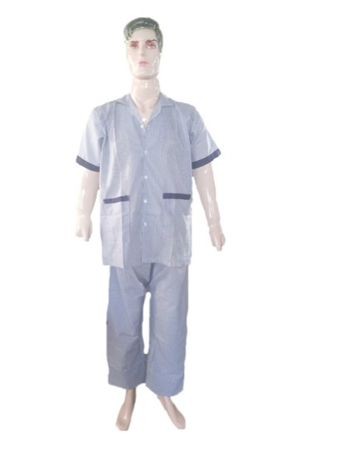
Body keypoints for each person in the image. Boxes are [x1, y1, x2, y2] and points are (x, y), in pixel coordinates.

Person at [75, 17, 225, 430]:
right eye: (134, 45)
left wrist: (214, 220)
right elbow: (89, 173)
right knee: (122, 319)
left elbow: (204, 171)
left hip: (171, 235)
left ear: (161, 50)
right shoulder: (103, 117)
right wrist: (81, 214)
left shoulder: (186, 116)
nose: (142, 52)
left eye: (150, 44)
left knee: (171, 319)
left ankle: (164, 390)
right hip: (122, 234)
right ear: (125, 53)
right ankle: (129, 390)